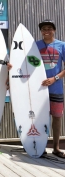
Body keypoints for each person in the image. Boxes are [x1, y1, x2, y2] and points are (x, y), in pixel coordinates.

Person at [36, 19, 65, 158]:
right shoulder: (35, 45)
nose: (46, 31)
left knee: (57, 118)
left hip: (56, 88)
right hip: (39, 89)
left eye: (49, 28)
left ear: (54, 30)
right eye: (43, 29)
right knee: (41, 118)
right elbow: (25, 63)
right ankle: (41, 147)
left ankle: (56, 148)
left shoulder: (62, 45)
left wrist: (55, 78)